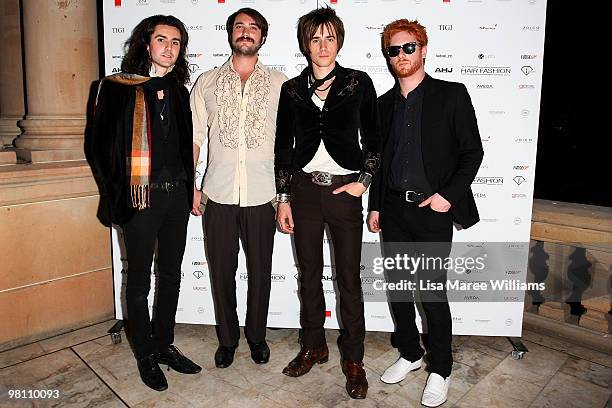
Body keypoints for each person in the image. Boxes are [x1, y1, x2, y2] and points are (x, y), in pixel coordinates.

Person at [367, 19, 483, 407]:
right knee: (399, 289)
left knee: (431, 291)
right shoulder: (382, 105)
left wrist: (447, 197)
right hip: (395, 211)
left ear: (424, 49)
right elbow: (379, 163)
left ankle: (441, 368)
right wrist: (377, 205)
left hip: (432, 210)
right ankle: (411, 354)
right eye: (393, 50)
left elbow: (472, 153)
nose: (401, 55)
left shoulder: (451, 95)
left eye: (408, 47)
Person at [274, 7, 381, 400]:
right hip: (302, 192)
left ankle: (354, 359)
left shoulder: (358, 83)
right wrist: (282, 197)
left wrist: (363, 182)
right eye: (315, 38)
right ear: (306, 43)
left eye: (329, 37)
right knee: (309, 274)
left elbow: (374, 139)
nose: (322, 45)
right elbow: (283, 147)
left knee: (349, 279)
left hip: (344, 192)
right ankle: (313, 345)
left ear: (339, 41)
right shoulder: (292, 89)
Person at [91, 15, 201, 392]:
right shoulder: (116, 88)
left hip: (175, 196)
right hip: (140, 199)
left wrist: (189, 189)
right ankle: (144, 353)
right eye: (161, 40)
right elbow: (98, 148)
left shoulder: (179, 90)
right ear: (146, 45)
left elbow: (184, 148)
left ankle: (164, 343)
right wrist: (117, 194)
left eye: (175, 42)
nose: (169, 47)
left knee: (170, 274)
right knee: (138, 280)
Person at [190, 8, 287, 369]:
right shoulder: (207, 82)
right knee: (221, 271)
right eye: (239, 26)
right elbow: (196, 137)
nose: (245, 32)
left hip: (264, 195)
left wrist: (284, 195)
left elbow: (287, 144)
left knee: (261, 270)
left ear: (263, 36)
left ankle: (257, 337)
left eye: (253, 27)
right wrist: (192, 185)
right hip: (218, 194)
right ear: (230, 33)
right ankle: (228, 339)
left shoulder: (281, 83)